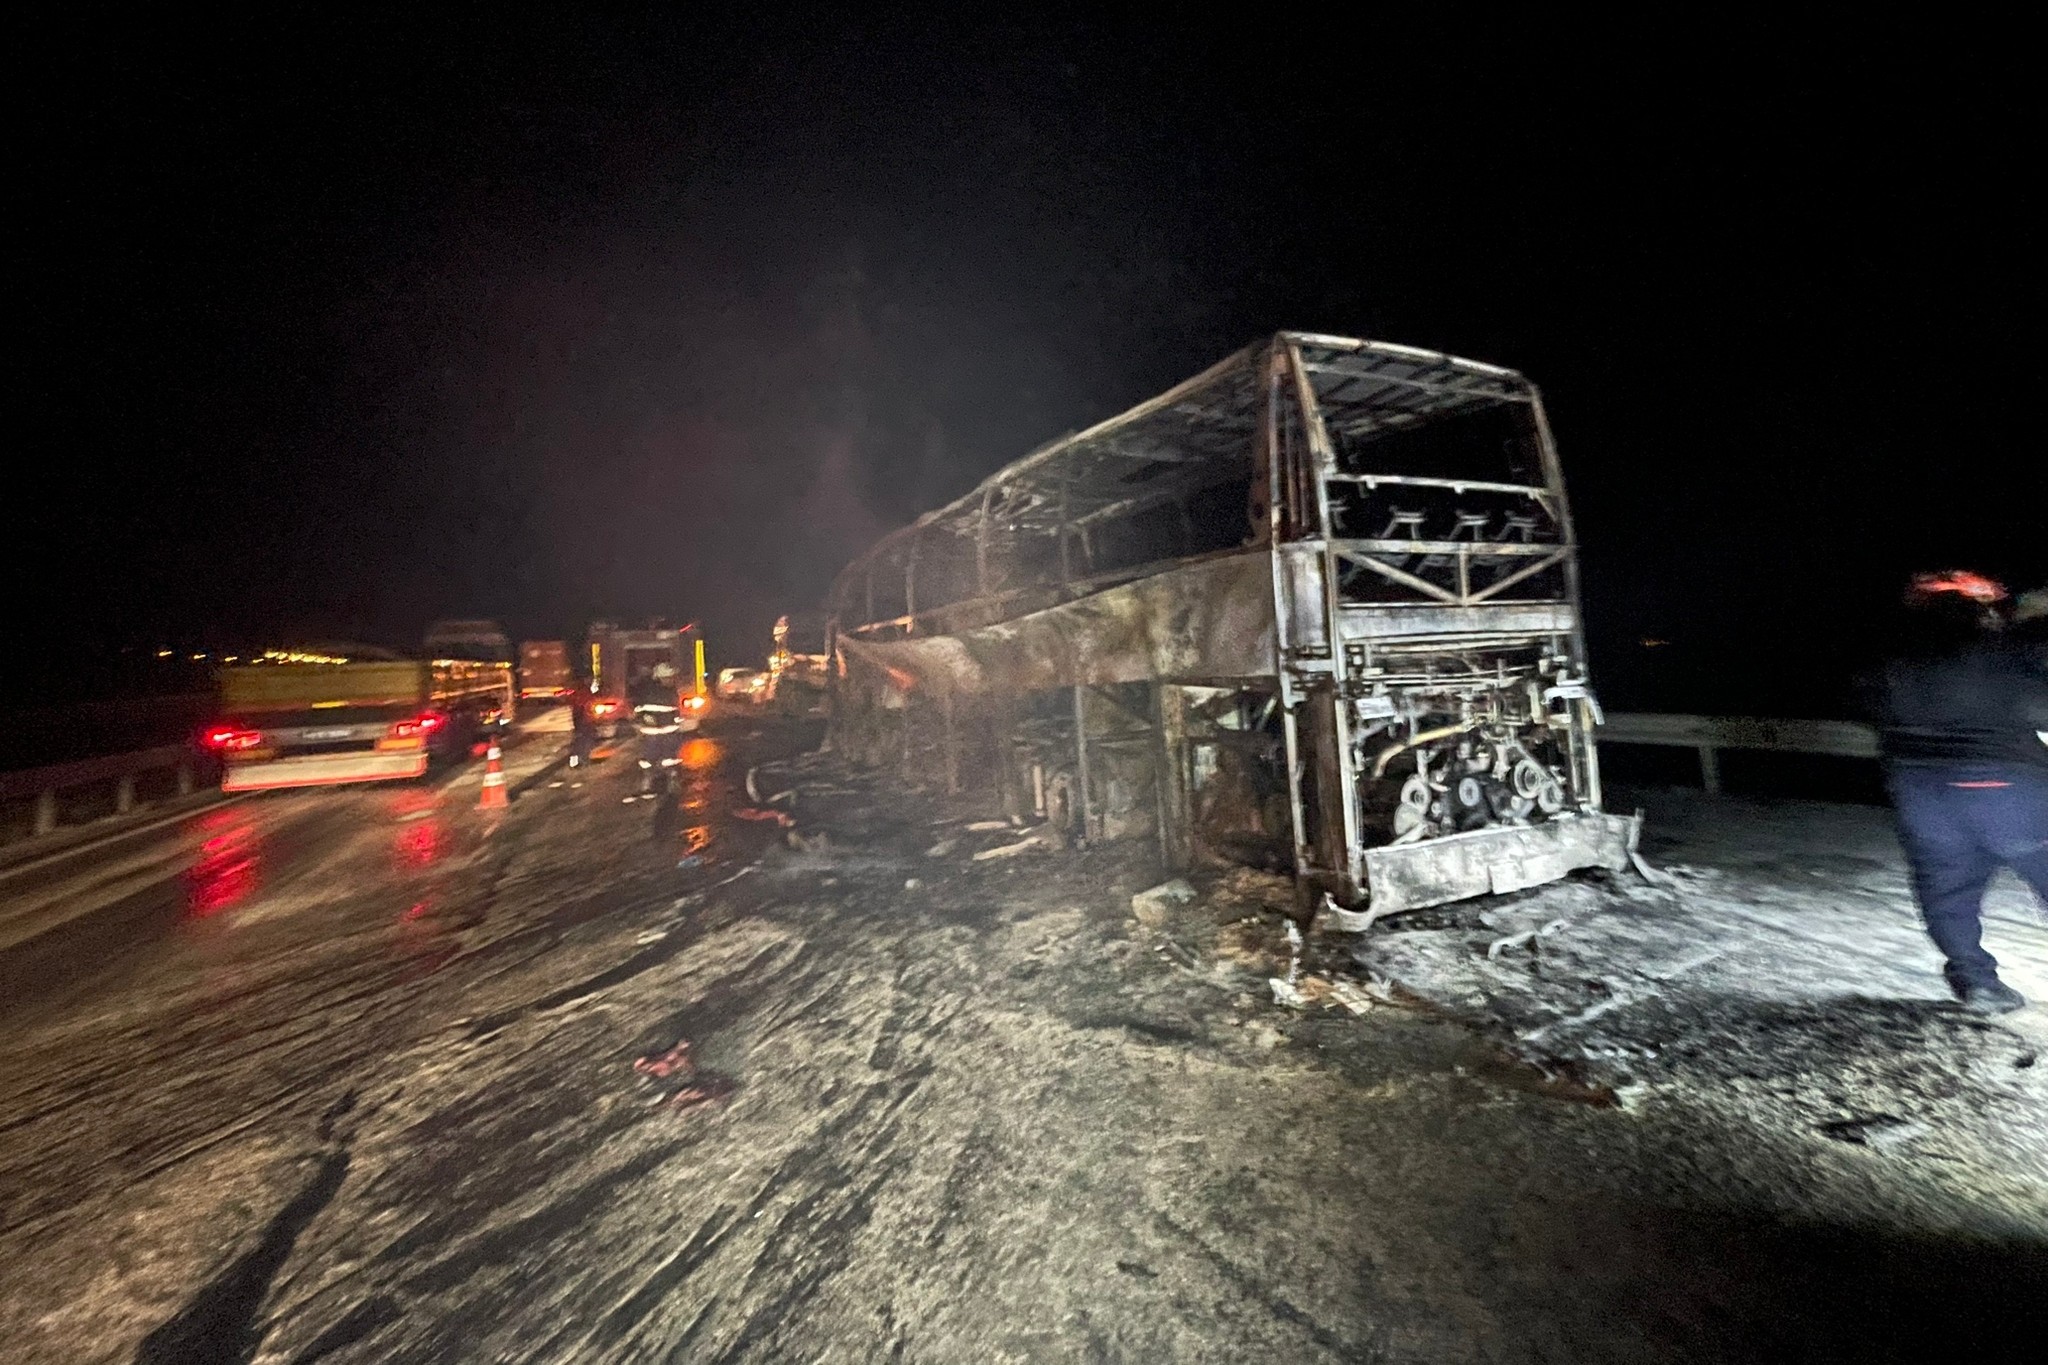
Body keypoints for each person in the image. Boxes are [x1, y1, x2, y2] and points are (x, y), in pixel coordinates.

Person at [1864, 571, 2048, 1013]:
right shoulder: (2008, 655)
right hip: (2008, 789)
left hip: (1921, 791)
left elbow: (1867, 706)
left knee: (1947, 890)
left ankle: (1977, 982)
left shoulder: (1889, 663)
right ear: (1981, 613)